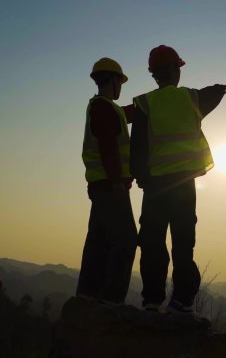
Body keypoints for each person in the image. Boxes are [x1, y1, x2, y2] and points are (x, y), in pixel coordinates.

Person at [131, 45, 226, 313]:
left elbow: (137, 147)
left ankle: (152, 299)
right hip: (184, 186)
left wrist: (140, 179)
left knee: (152, 242)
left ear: (154, 75)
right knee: (183, 244)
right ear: (175, 70)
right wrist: (222, 88)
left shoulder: (144, 104)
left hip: (154, 187)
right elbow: (211, 94)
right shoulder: (191, 99)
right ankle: (182, 301)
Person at [77, 57, 138, 303]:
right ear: (112, 80)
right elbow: (108, 146)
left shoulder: (104, 107)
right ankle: (111, 303)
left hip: (101, 186)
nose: (121, 86)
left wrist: (146, 105)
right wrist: (116, 182)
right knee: (125, 241)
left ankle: (87, 298)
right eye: (119, 81)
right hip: (110, 187)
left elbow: (125, 116)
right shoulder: (103, 108)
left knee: (98, 243)